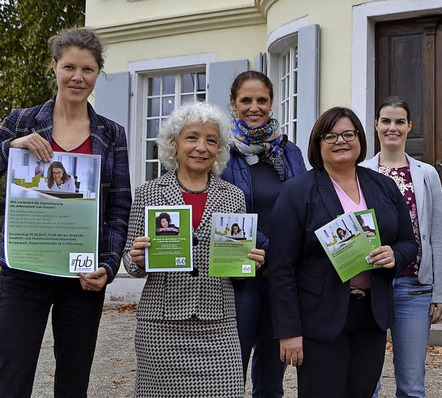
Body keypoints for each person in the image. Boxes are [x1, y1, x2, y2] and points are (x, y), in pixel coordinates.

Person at [0, 28, 132, 397]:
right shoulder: (22, 121)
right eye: (69, 67)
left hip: (82, 274)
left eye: (88, 70)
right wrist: (12, 146)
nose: (78, 77)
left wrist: (107, 266)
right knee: (10, 376)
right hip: (24, 270)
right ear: (54, 67)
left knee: (74, 380)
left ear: (97, 75)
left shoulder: (112, 133)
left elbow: (121, 205)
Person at [269, 106, 418, 398]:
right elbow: (281, 267)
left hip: (370, 316)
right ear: (317, 143)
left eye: (348, 134)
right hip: (319, 319)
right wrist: (288, 330)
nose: (341, 141)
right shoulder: (298, 191)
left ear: (360, 139)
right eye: (330, 135)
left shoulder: (383, 186)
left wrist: (394, 256)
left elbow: (408, 243)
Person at [123, 102, 265, 397]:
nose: (201, 147)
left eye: (211, 140)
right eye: (192, 137)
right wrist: (137, 257)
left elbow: (236, 274)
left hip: (219, 324)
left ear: (219, 148)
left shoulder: (233, 196)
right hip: (161, 326)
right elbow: (132, 264)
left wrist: (248, 263)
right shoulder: (149, 192)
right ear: (174, 144)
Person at [221, 70, 306, 397]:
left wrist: (280, 257)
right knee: (231, 371)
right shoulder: (222, 152)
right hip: (238, 276)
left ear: (271, 104)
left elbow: (304, 205)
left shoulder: (290, 152)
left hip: (282, 277)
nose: (254, 107)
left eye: (262, 100)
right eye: (246, 100)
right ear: (233, 104)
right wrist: (267, 251)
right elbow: (224, 210)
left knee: (272, 378)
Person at [361, 95, 442, 398]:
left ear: (410, 126)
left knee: (412, 385)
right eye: (386, 120)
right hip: (370, 286)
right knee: (365, 382)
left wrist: (439, 292)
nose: (392, 127)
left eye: (399, 121)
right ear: (376, 125)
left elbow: (437, 234)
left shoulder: (426, 174)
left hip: (414, 288)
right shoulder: (362, 172)